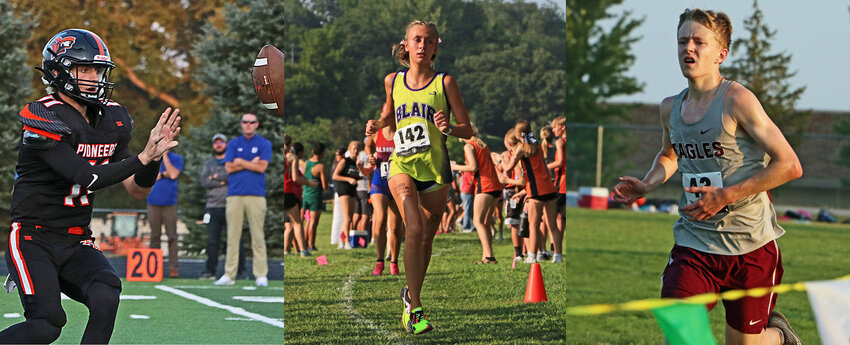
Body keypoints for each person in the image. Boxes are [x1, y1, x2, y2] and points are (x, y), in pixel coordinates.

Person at [611, 8, 804, 344]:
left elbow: (790, 165)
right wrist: (646, 183)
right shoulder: (670, 107)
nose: (689, 48)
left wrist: (725, 196)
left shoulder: (738, 100)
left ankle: (781, 338)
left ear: (721, 54)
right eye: (683, 41)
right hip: (694, 243)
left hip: (750, 246)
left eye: (699, 41)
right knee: (681, 332)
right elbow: (670, 155)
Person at [1, 28, 180, 343]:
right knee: (46, 324)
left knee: (106, 295)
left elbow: (137, 189)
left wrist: (153, 160)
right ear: (60, 70)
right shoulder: (42, 115)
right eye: (85, 69)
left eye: (98, 70)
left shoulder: (113, 118)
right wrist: (143, 156)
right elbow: (86, 176)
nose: (95, 77)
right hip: (33, 238)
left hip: (76, 240)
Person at [365, 20, 473, 334]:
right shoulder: (392, 81)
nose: (422, 46)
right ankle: (416, 312)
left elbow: (467, 129)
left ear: (436, 47)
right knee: (412, 226)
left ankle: (411, 295)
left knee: (425, 238)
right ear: (406, 45)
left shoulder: (445, 83)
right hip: (402, 165)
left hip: (436, 171)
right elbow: (389, 113)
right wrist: (377, 123)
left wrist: (449, 128)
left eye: (428, 41)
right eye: (417, 40)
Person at [215, 113, 272, 287]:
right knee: (233, 236)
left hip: (256, 195)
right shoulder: (233, 143)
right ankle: (229, 274)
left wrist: (240, 162)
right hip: (235, 194)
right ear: (241, 124)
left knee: (258, 236)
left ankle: (261, 274)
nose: (248, 125)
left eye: (251, 122)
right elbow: (229, 168)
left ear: (257, 124)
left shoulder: (264, 143)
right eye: (245, 122)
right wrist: (249, 163)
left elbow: (262, 167)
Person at [503, 121, 562, 264]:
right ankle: (558, 256)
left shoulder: (521, 148)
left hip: (535, 189)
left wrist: (502, 165)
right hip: (548, 186)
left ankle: (532, 256)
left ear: (518, 134)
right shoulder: (536, 144)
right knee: (552, 224)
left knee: (533, 224)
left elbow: (508, 169)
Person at [451, 125, 501, 264]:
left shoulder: (468, 146)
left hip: (485, 185)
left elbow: (473, 167)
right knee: (485, 222)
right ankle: (487, 256)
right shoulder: (481, 144)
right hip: (495, 185)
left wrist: (454, 167)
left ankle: (489, 256)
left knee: (478, 221)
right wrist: (465, 169)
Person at [200, 134, 247, 279]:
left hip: (231, 206)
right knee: (212, 241)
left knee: (235, 239)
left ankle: (241, 271)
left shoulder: (232, 162)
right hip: (213, 207)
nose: (218, 145)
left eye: (221, 142)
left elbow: (234, 179)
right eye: (216, 142)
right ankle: (210, 271)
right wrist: (222, 181)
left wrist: (215, 178)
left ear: (226, 144)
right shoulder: (209, 164)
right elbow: (204, 182)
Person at [365, 118, 402, 276]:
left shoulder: (401, 132)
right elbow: (368, 145)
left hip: (397, 183)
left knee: (395, 227)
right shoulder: (376, 134)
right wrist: (370, 156)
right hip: (379, 182)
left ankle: (394, 261)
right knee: (379, 219)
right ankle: (379, 261)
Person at [146, 150, 183, 278]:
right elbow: (148, 177)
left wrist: (165, 157)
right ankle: (153, 268)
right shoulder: (151, 158)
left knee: (172, 236)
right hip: (152, 203)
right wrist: (163, 175)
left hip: (169, 204)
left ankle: (173, 268)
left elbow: (173, 175)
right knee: (154, 236)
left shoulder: (177, 158)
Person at [332, 140, 363, 250]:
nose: (355, 150)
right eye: (353, 148)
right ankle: (346, 242)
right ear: (350, 150)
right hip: (343, 189)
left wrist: (360, 177)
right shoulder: (345, 161)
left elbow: (356, 175)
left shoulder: (357, 163)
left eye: (357, 149)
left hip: (352, 190)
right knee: (348, 218)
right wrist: (348, 179)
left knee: (348, 218)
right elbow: (335, 176)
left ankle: (341, 241)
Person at [302, 142, 328, 252]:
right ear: (323, 153)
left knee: (306, 221)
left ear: (312, 151)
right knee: (313, 221)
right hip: (315, 196)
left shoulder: (305, 163)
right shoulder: (320, 167)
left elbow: (302, 176)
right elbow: (324, 185)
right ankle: (311, 245)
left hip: (304, 194)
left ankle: (304, 243)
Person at [548, 116, 567, 252]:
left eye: (555, 127)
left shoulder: (560, 142)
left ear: (563, 127)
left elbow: (560, 162)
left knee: (551, 220)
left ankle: (555, 250)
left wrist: (544, 167)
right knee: (561, 219)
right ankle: (557, 251)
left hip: (561, 184)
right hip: (566, 184)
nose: (553, 130)